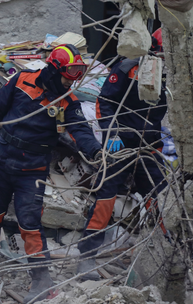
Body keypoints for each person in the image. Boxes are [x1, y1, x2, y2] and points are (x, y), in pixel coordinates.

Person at [0, 44, 102, 303]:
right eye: (68, 74)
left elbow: (82, 131)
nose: (72, 80)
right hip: (0, 161)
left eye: (77, 74)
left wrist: (96, 152)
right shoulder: (20, 80)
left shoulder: (68, 101)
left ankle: (42, 282)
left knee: (30, 226)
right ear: (53, 70)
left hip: (31, 172)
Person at [77, 30, 168, 280]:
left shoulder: (170, 74)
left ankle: (166, 250)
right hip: (122, 142)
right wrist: (112, 133)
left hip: (148, 145)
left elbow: (159, 113)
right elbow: (103, 102)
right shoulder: (129, 68)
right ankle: (85, 258)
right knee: (105, 200)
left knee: (160, 197)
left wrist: (157, 144)